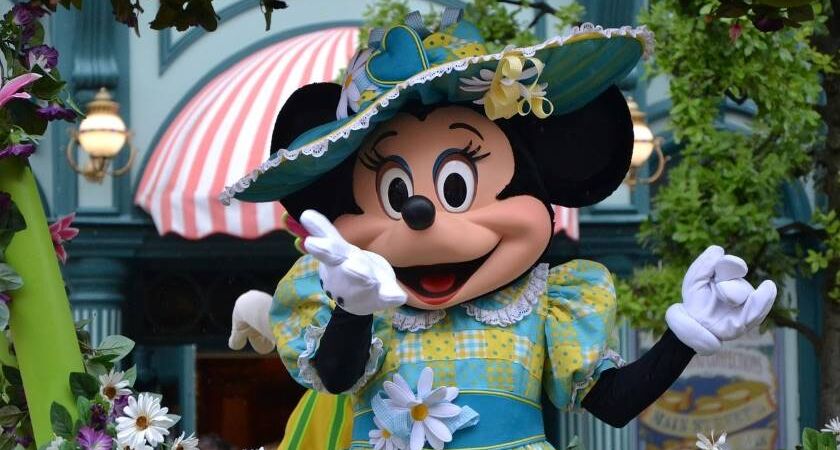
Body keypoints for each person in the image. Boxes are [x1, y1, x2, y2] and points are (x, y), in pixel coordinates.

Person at [227, 9, 776, 450]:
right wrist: (353, 310)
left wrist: (683, 338)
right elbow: (338, 378)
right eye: (395, 194)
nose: (421, 214)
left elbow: (610, 403)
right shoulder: (353, 294)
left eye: (456, 187)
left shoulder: (548, 303)